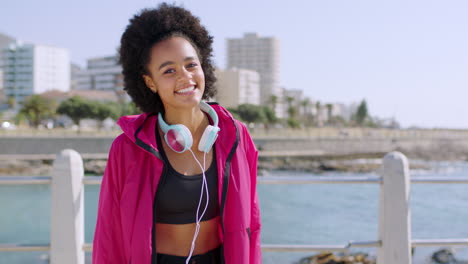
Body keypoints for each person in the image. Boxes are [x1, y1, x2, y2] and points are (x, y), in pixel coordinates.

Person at [92, 3, 261, 264]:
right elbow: (109, 233)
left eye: (191, 65)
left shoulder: (235, 135)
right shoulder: (127, 148)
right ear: (150, 82)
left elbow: (251, 219)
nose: (185, 77)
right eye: (169, 70)